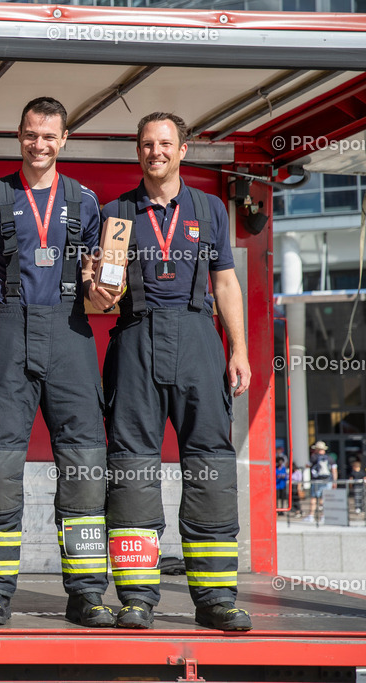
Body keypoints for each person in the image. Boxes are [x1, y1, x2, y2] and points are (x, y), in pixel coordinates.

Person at [99, 112, 253, 631]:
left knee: (210, 465)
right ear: (137, 150)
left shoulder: (209, 209)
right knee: (132, 470)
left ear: (184, 149)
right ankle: (138, 597)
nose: (155, 152)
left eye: (166, 143)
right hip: (135, 339)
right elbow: (106, 294)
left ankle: (215, 599)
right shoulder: (117, 212)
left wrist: (239, 350)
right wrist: (101, 290)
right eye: (147, 144)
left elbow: (226, 283)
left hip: (197, 338)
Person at [0, 97, 112, 627]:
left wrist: (104, 292)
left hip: (72, 332)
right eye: (30, 134)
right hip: (5, 330)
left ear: (64, 139)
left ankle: (88, 594)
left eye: (49, 136)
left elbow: (100, 279)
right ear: (18, 135)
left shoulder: (87, 201)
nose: (39, 144)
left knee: (85, 469)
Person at [307, 441, 335, 521]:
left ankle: (311, 516)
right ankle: (323, 516)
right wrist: (334, 481)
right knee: (324, 499)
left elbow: (307, 465)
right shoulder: (329, 457)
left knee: (314, 498)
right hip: (327, 480)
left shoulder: (314, 457)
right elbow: (334, 470)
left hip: (316, 481)